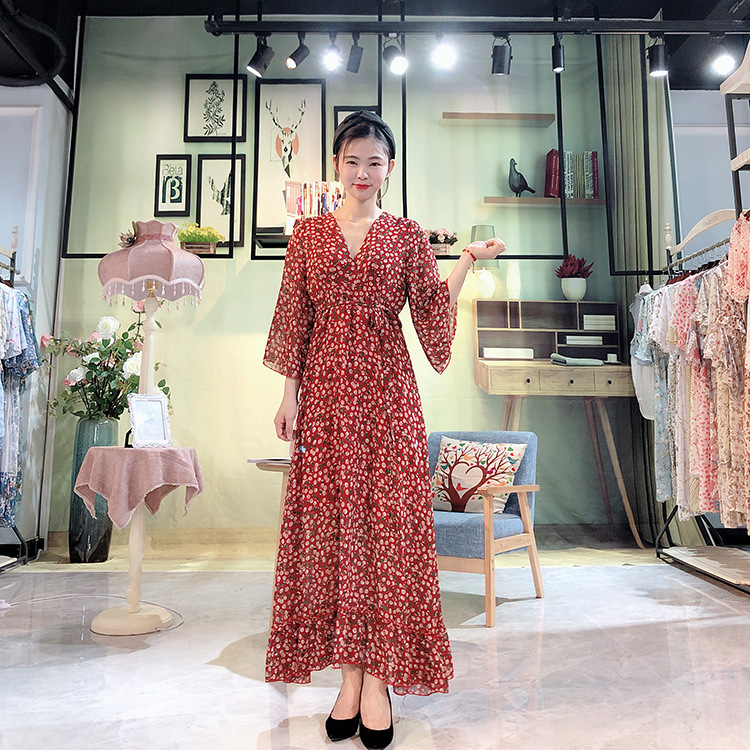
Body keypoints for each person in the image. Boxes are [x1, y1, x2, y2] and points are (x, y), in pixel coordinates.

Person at [263, 111, 504, 748]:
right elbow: (293, 320)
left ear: (389, 169)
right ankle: (349, 679)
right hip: (324, 399)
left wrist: (465, 261)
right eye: (353, 161)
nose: (363, 173)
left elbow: (431, 310)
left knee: (386, 535)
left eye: (375, 162)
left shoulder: (406, 236)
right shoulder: (307, 236)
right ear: (335, 166)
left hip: (388, 398)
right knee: (334, 533)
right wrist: (288, 396)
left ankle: (378, 681)